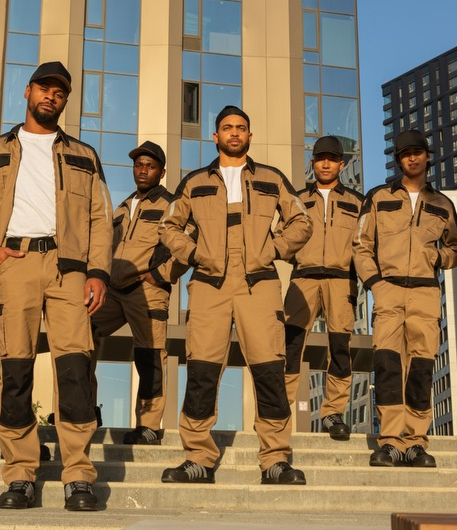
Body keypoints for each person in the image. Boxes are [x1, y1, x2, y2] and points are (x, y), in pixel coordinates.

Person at [0, 61, 113, 510]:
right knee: (16, 369)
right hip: (16, 262)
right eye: (44, 88)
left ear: (65, 101)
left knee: (75, 370)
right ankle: (20, 474)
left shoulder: (84, 154)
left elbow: (101, 218)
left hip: (70, 268)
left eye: (59, 92)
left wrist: (98, 272)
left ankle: (78, 475)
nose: (51, 96)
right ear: (27, 92)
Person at [158, 105, 312, 485]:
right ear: (215, 136)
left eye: (241, 128)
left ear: (250, 135)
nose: (234, 133)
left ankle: (275, 460)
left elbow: (301, 221)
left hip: (258, 282)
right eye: (227, 127)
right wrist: (195, 254)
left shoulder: (271, 178)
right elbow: (168, 226)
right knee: (202, 370)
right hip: (209, 283)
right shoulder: (194, 182)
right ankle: (198, 458)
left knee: (270, 371)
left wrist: (273, 249)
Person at [353, 129, 457, 467]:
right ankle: (390, 442)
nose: (412, 157)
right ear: (398, 160)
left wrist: (437, 258)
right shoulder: (378, 197)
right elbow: (360, 246)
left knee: (421, 369)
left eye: (417, 152)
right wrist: (375, 284)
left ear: (427, 156)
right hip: (389, 291)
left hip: (426, 293)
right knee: (387, 366)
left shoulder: (443, 204)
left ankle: (415, 443)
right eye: (405, 153)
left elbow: (454, 248)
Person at [91, 141, 186, 445]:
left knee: (150, 356)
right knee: (81, 333)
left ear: (161, 172)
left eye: (150, 166)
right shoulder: (123, 206)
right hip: (113, 290)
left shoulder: (172, 204)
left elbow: (188, 246)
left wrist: (161, 275)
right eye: (138, 165)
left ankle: (148, 425)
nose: (143, 170)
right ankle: (85, 410)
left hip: (147, 290)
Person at [284, 136, 364, 441]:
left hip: (341, 280)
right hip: (303, 278)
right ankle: (279, 409)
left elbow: (367, 241)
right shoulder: (297, 200)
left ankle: (332, 412)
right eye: (320, 159)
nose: (326, 164)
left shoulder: (358, 202)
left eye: (331, 159)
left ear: (342, 164)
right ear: (313, 162)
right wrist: (298, 256)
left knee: (340, 347)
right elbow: (282, 235)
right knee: (290, 345)